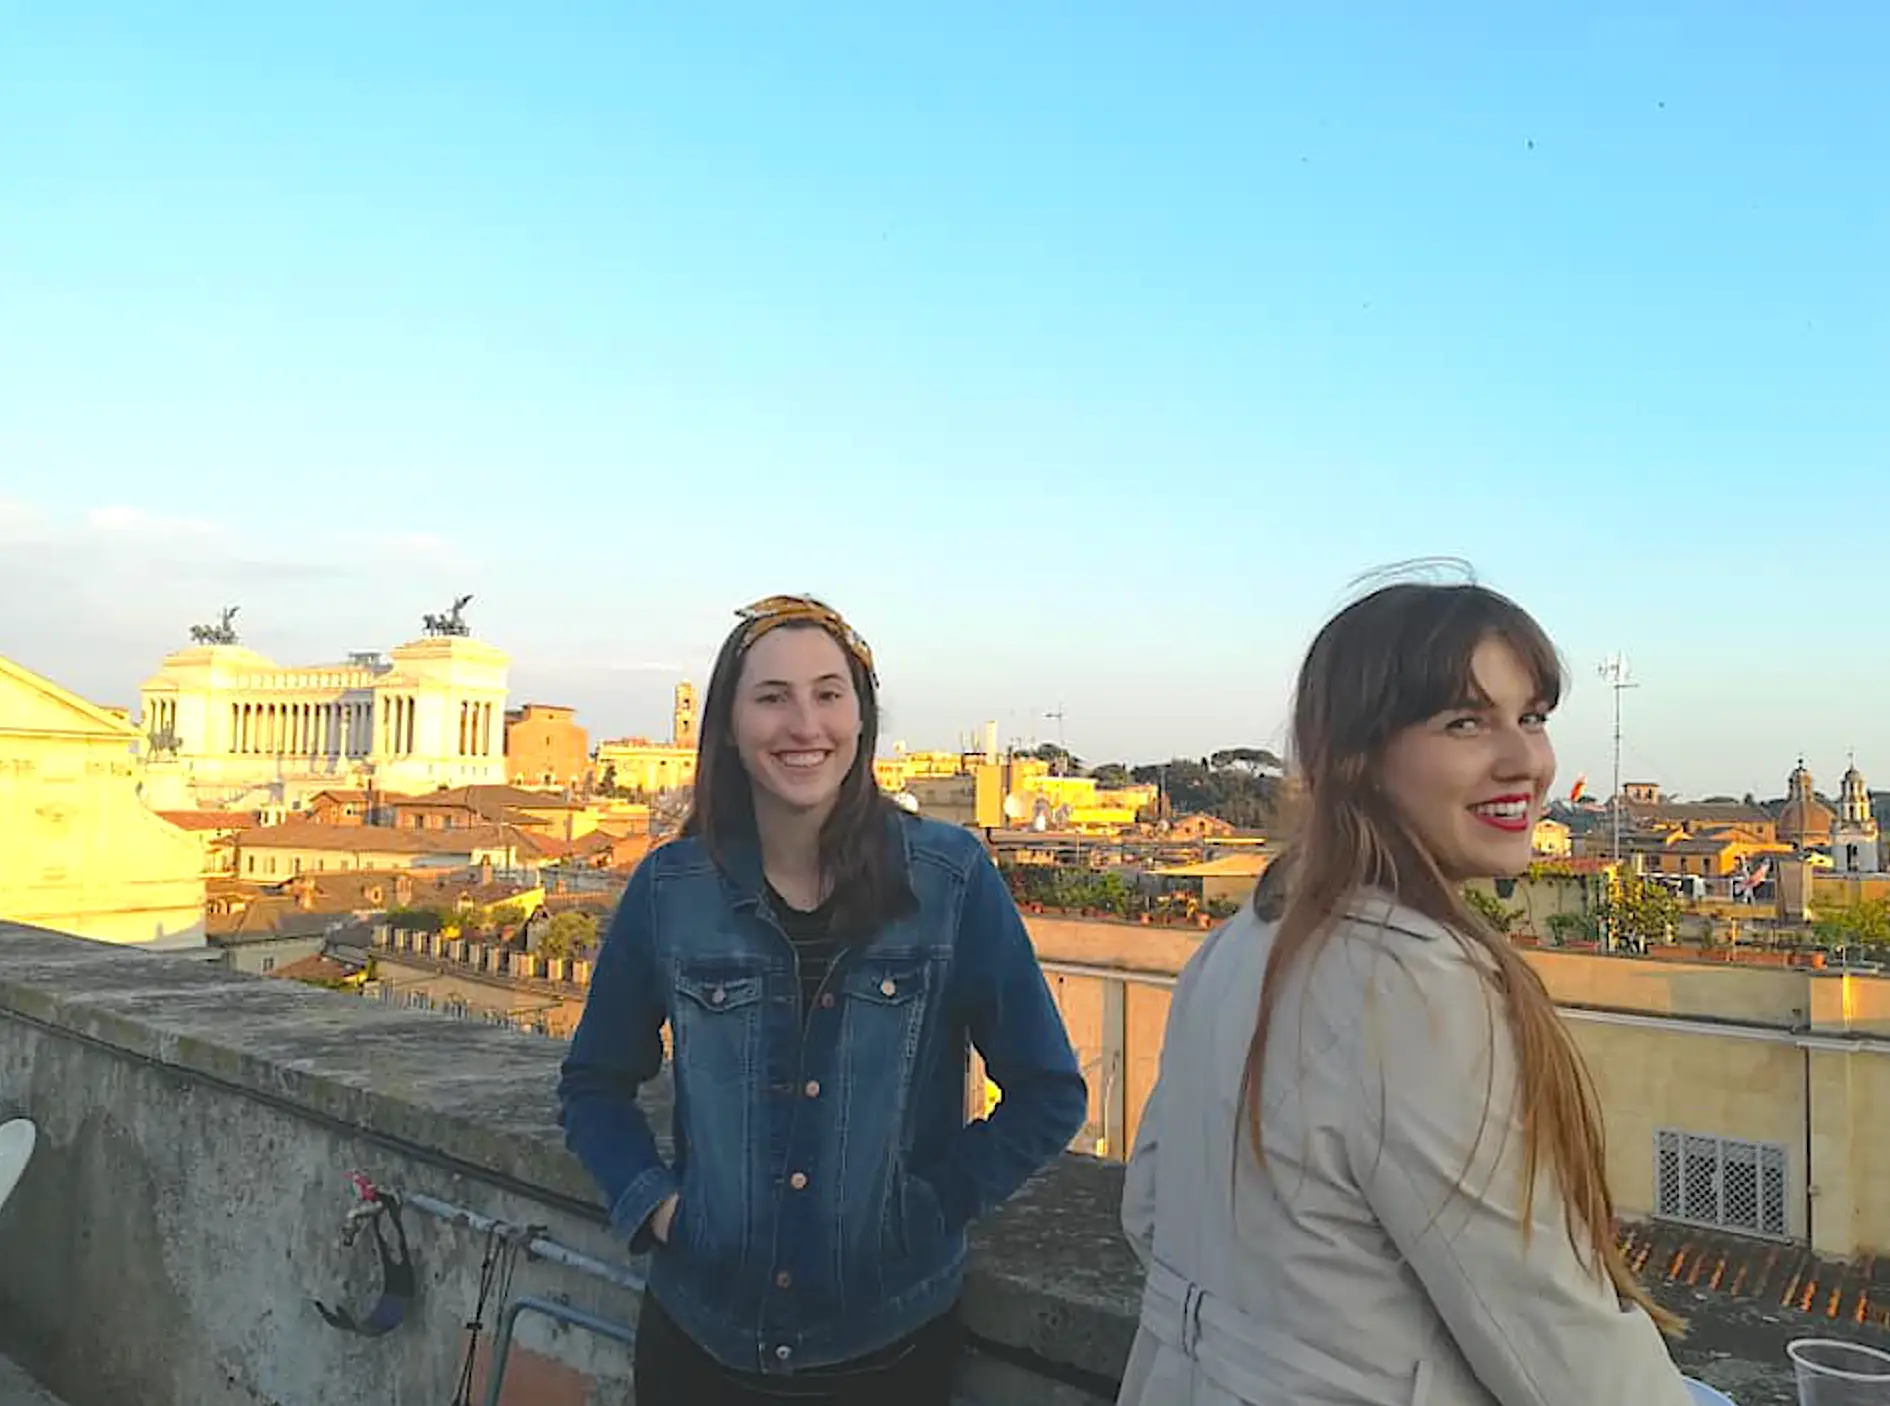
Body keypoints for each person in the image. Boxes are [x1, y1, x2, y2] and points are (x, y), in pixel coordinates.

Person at [1118, 581, 1696, 1406]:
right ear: (1359, 760)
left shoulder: (1236, 945)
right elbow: (1557, 1349)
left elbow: (1148, 1213)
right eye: (1465, 723)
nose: (1526, 761)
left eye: (1532, 717)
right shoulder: (1419, 987)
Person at [558, 593, 1088, 1405]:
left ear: (861, 720)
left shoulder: (950, 882)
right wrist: (660, 1209)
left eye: (828, 694)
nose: (804, 724)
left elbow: (1049, 1092)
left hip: (887, 1352)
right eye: (773, 697)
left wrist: (926, 1212)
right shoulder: (670, 890)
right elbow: (594, 1084)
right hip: (699, 1343)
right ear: (728, 727)